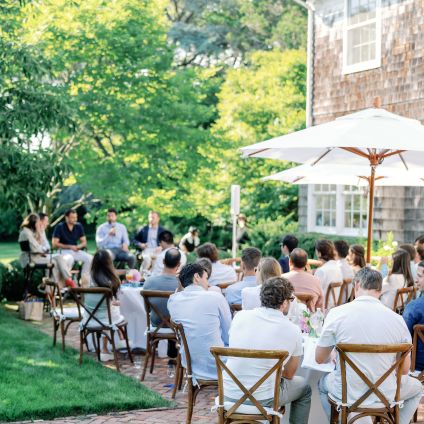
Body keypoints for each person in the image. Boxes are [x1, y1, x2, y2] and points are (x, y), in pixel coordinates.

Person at [316, 268, 422, 423]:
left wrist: (333, 355)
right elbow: (404, 370)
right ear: (380, 289)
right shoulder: (397, 320)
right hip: (386, 393)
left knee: (321, 383)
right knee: (417, 388)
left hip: (347, 392)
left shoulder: (337, 313)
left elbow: (319, 358)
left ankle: (339, 421)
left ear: (357, 285)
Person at [224, 277, 311, 423]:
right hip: (263, 400)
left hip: (229, 394)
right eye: (290, 299)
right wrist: (271, 369)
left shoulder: (240, 317)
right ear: (284, 303)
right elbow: (289, 374)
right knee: (304, 388)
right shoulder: (292, 329)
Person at [168, 263, 232, 381]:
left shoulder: (173, 300)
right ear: (197, 277)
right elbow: (229, 334)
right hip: (219, 365)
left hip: (190, 365)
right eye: (206, 278)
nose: (208, 283)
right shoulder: (215, 297)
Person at [83, 249, 127, 362]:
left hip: (88, 317)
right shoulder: (110, 280)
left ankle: (113, 345)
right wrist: (114, 303)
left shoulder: (87, 278)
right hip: (105, 318)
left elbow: (89, 300)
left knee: (109, 311)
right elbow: (109, 302)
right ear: (108, 263)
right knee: (115, 312)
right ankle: (107, 348)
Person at [143, 248, 181, 367]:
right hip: (175, 325)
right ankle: (175, 358)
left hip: (155, 323)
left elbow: (148, 309)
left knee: (168, 315)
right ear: (179, 264)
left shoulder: (149, 282)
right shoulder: (182, 284)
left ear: (163, 261)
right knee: (175, 317)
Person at [18, 213, 73, 289]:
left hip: (38, 256)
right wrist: (42, 249)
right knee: (53, 262)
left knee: (58, 258)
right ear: (33, 223)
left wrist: (42, 248)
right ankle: (53, 288)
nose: (39, 224)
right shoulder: (26, 233)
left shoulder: (33, 231)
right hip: (30, 259)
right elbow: (35, 248)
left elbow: (46, 247)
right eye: (38, 222)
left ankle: (64, 282)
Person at [52, 209, 93, 284]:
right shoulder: (60, 227)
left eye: (76, 217)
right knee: (69, 259)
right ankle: (66, 282)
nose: (75, 219)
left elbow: (84, 242)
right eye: (72, 217)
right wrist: (70, 247)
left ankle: (84, 280)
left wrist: (78, 246)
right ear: (66, 218)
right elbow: (54, 244)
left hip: (75, 250)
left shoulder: (78, 226)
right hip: (63, 251)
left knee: (90, 258)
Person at [403, 260, 424, 371]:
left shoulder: (414, 307)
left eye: (419, 276)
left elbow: (401, 338)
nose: (416, 280)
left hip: (417, 368)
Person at [314, 240, 343, 308]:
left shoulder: (321, 271)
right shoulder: (338, 268)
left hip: (321, 310)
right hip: (334, 308)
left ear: (319, 253)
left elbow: (314, 294)